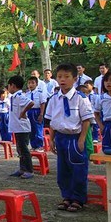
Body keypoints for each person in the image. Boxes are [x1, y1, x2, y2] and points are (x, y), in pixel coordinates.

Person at [45, 63, 94, 212]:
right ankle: (66, 196)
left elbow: (86, 120)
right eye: (60, 76)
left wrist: (81, 139)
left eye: (67, 77)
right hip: (60, 137)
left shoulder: (80, 98)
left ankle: (78, 198)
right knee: (63, 170)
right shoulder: (54, 99)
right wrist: (51, 139)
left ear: (74, 79)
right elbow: (52, 121)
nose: (62, 80)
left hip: (75, 137)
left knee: (78, 168)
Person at [7, 76, 35, 179]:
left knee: (24, 149)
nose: (8, 87)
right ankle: (22, 168)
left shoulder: (19, 96)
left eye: (9, 85)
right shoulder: (13, 96)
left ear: (13, 86)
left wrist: (23, 112)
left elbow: (31, 103)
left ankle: (29, 170)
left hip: (22, 127)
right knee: (19, 149)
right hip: (17, 127)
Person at [94, 72, 111, 151]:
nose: (108, 83)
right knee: (109, 149)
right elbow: (96, 113)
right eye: (106, 81)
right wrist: (101, 126)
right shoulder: (101, 98)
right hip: (109, 125)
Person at [26, 76, 46, 151]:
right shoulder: (27, 94)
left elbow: (42, 103)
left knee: (38, 128)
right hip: (29, 111)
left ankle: (39, 145)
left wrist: (41, 114)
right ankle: (33, 145)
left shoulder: (39, 93)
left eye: (33, 83)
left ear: (36, 84)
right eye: (29, 83)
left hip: (37, 111)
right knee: (31, 129)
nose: (30, 85)